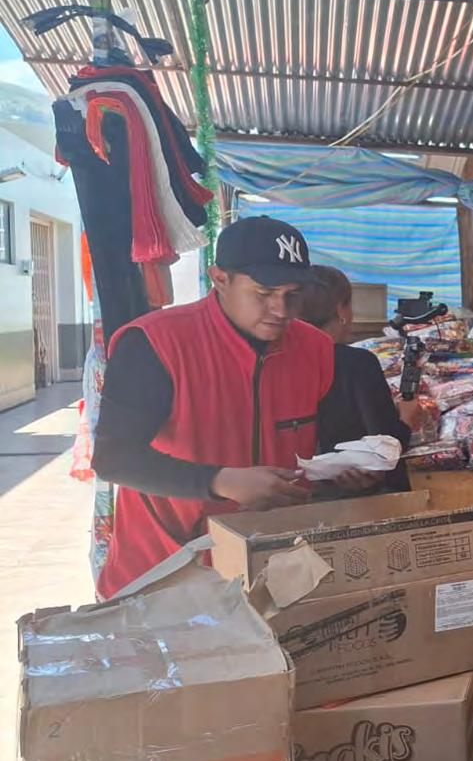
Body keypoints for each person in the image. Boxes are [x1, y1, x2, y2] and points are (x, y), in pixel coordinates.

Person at [92, 216, 377, 599]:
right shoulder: (154, 343)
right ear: (220, 279)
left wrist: (347, 469)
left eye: (293, 295)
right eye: (264, 292)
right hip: (165, 573)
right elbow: (114, 459)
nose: (281, 309)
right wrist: (222, 482)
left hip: (274, 570)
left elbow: (327, 443)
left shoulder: (315, 349)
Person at [297, 265, 413, 493]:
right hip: (354, 499)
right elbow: (386, 446)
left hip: (294, 490)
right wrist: (408, 419)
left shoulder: (281, 363)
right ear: (341, 311)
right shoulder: (357, 363)